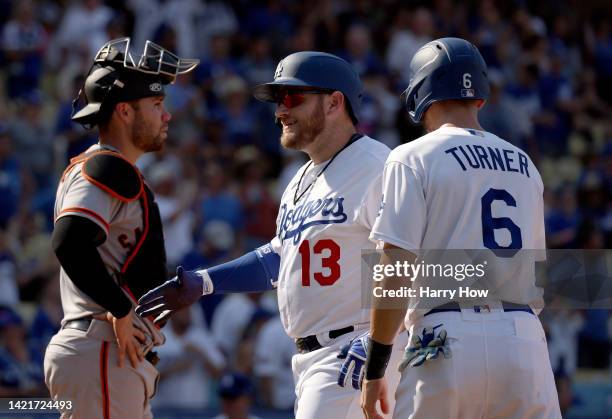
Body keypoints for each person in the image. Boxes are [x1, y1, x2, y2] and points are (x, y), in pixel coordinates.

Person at [137, 51, 405, 418]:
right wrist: (205, 282)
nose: (280, 110)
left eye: (293, 98)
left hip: (354, 350)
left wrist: (382, 341)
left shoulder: (379, 165)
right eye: (278, 100)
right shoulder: (298, 179)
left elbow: (419, 257)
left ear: (334, 102)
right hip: (314, 356)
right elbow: (281, 258)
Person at [360, 37, 562, 419]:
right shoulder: (524, 162)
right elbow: (538, 273)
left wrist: (376, 367)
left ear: (419, 96)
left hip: (446, 337)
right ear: (480, 98)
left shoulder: (412, 156)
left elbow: (396, 264)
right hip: (523, 339)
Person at [44, 37, 198, 418]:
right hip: (101, 347)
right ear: (125, 112)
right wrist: (120, 308)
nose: (167, 116)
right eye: (157, 105)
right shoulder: (105, 167)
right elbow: (69, 241)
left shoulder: (114, 169)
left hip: (107, 353)